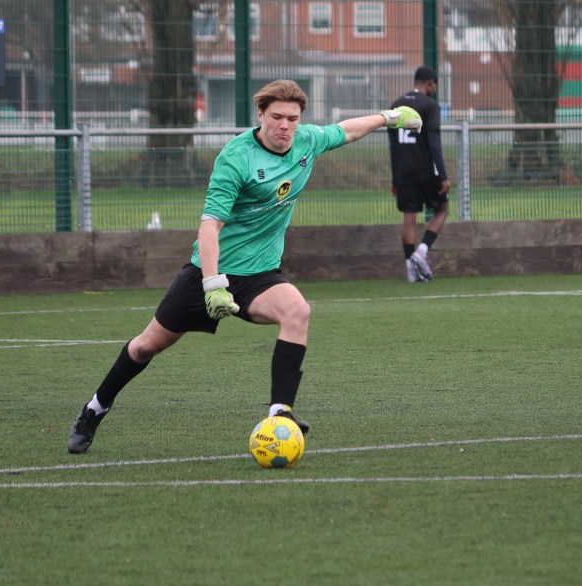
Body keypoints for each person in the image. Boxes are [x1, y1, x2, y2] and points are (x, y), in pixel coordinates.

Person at [67, 79, 422, 454]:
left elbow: (346, 130)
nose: (284, 126)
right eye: (277, 117)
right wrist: (212, 283)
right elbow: (210, 227)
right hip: (209, 272)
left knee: (297, 310)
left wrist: (389, 117)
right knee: (145, 347)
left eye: (292, 119)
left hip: (260, 275)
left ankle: (280, 414)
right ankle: (95, 409)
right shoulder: (236, 157)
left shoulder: (307, 141)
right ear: (261, 115)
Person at [388, 66, 450, 283]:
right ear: (430, 83)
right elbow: (434, 144)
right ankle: (421, 252)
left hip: (402, 172)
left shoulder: (395, 105)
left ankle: (410, 271)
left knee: (409, 219)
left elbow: (392, 146)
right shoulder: (430, 105)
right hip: (425, 171)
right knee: (442, 209)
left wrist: (395, 178)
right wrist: (443, 175)